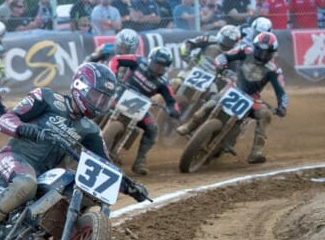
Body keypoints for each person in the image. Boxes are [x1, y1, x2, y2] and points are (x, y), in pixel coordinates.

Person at [0, 63, 148, 240]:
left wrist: (129, 186)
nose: (98, 102)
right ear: (79, 86)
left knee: (61, 205)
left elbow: (106, 165)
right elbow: (6, 119)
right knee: (26, 184)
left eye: (103, 99)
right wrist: (24, 128)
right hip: (16, 157)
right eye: (95, 96)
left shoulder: (90, 130)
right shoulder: (47, 97)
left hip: (46, 175)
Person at [177, 32, 287, 164]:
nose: (263, 56)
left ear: (273, 52)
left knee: (266, 114)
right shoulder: (245, 51)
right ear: (255, 47)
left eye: (267, 52)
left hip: (252, 98)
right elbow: (223, 56)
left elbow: (281, 91)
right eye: (260, 51)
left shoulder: (274, 70)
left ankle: (256, 152)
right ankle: (189, 126)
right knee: (209, 104)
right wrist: (222, 67)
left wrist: (282, 106)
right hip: (233, 87)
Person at [108, 46, 181, 175]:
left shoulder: (163, 82)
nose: (158, 68)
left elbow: (171, 100)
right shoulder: (138, 61)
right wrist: (112, 75)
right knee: (98, 106)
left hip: (140, 107)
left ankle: (140, 161)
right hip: (119, 95)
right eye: (156, 64)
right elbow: (116, 59)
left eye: (162, 66)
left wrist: (173, 110)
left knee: (152, 129)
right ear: (150, 60)